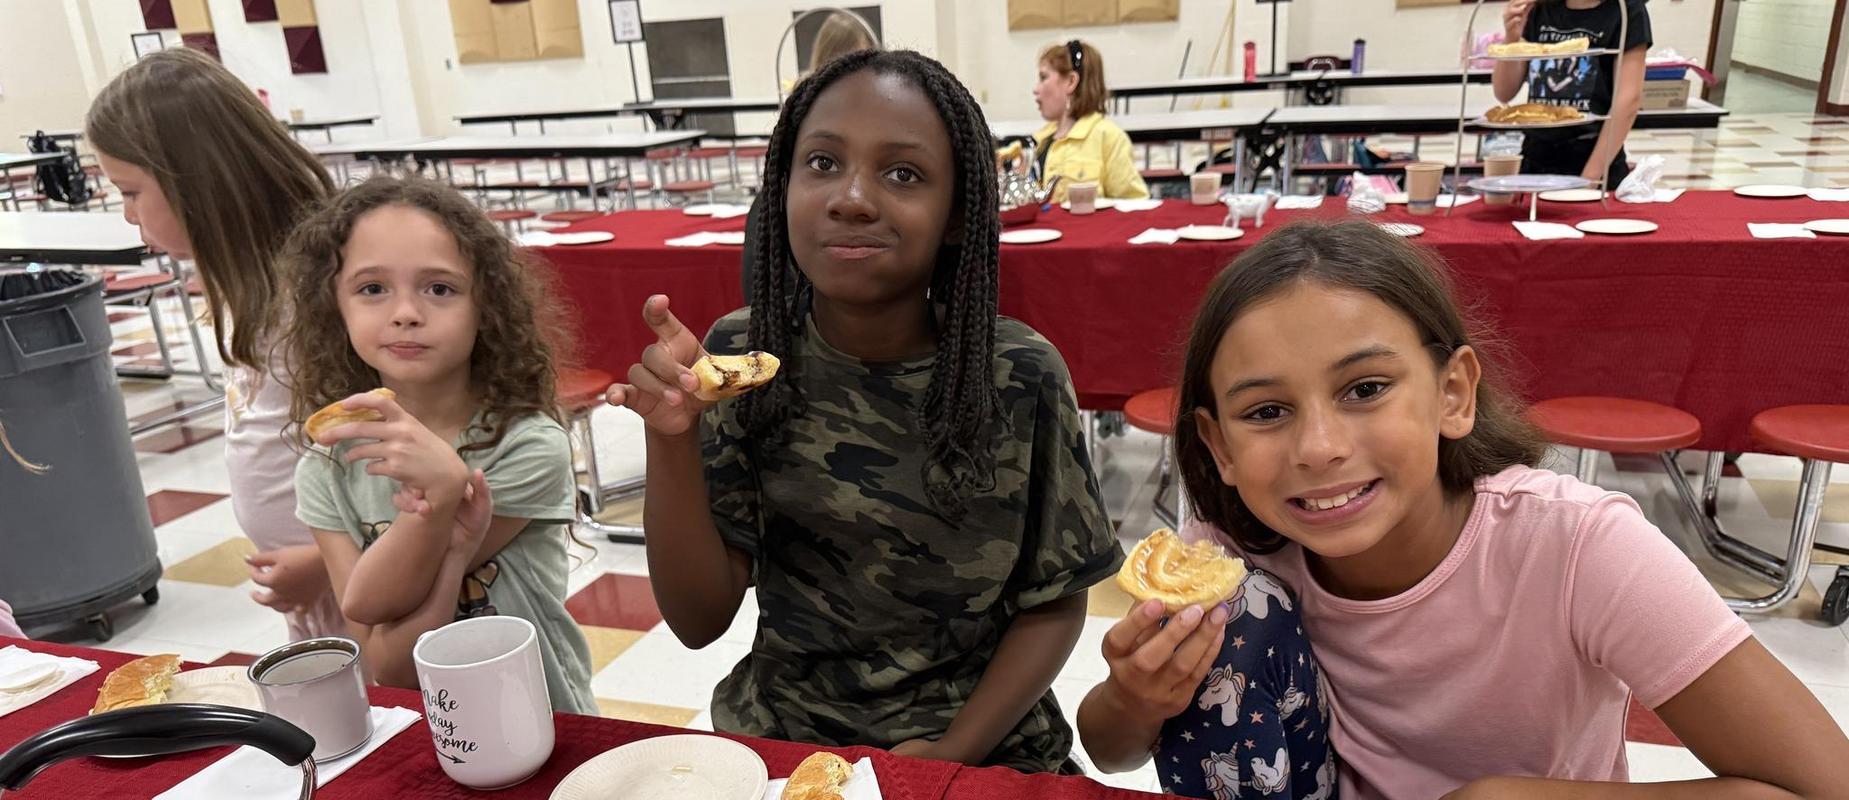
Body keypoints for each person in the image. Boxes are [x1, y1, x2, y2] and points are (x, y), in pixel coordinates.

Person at [1167, 220, 1849, 798]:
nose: (1318, 448)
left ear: (1453, 394)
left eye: (1365, 388)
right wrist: (1137, 694)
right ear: (1218, 444)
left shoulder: (1577, 547)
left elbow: (1823, 785)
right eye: (1265, 411)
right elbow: (1112, 749)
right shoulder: (1224, 556)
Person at [605, 49, 1121, 773]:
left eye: (903, 174)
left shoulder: (1017, 373)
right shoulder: (738, 355)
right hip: (788, 736)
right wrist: (671, 438)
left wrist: (949, 754)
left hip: (983, 744)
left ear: (955, 216)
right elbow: (697, 621)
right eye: (820, 164)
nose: (851, 196)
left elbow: (1055, 604)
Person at [281, 176, 594, 715]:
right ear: (335, 307)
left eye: (440, 288)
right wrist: (444, 514)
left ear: (485, 307)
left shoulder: (525, 447)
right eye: (372, 288)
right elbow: (390, 667)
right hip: (421, 725)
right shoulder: (327, 465)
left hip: (541, 713)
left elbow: (376, 608)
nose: (405, 312)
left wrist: (445, 494)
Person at [85, 48, 339, 641]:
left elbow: (410, 457)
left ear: (198, 182)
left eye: (130, 191)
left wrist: (330, 561)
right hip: (317, 575)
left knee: (399, 716)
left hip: (361, 572)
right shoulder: (251, 283)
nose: (127, 216)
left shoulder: (319, 293)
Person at [1492, 0, 1650, 188]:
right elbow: (1504, 92)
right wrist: (1512, 37)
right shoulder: (1540, 8)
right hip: (1536, 159)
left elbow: (1628, 100)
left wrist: (1589, 179)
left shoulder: (1626, 9)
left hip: (1595, 156)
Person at [1026, 39, 1148, 202]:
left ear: (1071, 82)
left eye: (1043, 77)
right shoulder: (1038, 141)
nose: (1036, 89)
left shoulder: (1109, 138)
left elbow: (1134, 206)